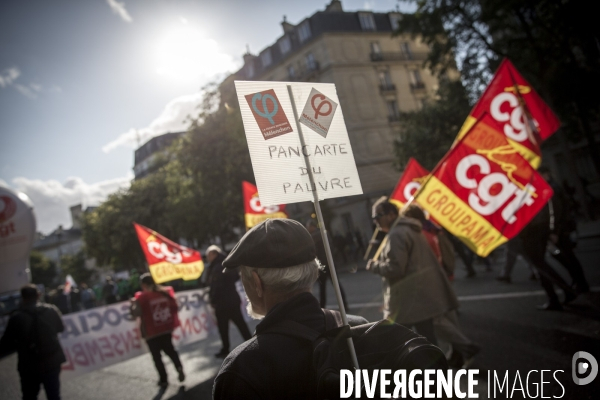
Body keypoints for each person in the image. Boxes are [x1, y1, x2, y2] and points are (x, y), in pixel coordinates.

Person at [213, 219, 367, 399]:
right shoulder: (358, 329)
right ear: (314, 272)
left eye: (243, 276)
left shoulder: (242, 369)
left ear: (257, 283)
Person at [366, 197, 458, 345]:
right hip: (419, 295)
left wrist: (375, 266)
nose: (375, 221)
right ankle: (438, 365)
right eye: (373, 218)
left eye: (378, 216)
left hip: (407, 299)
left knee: (397, 340)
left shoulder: (396, 234)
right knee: (427, 339)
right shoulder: (411, 228)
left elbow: (395, 269)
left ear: (391, 215)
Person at [403, 205, 480, 368]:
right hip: (442, 277)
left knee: (436, 320)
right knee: (449, 317)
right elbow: (448, 252)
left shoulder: (420, 235)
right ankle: (457, 354)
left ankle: (466, 347)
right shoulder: (432, 230)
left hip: (432, 280)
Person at [0, 284, 66, 400]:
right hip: (52, 361)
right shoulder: (51, 310)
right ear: (38, 295)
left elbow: (6, 343)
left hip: (29, 365)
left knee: (30, 396)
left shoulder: (16, 318)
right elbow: (61, 328)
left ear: (23, 297)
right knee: (54, 395)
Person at [130, 274, 185, 387]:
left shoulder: (142, 297)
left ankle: (163, 379)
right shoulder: (163, 293)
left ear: (144, 285)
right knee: (170, 350)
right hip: (165, 329)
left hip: (151, 332)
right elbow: (174, 307)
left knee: (157, 357)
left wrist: (133, 304)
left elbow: (137, 313)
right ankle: (178, 367)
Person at [204, 244, 252, 358]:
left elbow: (216, 285)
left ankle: (226, 348)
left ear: (213, 254)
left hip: (222, 303)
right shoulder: (226, 262)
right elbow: (235, 277)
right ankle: (251, 343)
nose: (207, 258)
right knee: (240, 324)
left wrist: (213, 299)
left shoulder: (216, 267)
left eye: (208, 255)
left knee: (223, 328)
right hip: (232, 300)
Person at [305, 219, 348, 310]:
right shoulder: (324, 233)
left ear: (312, 227)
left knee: (322, 287)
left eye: (308, 227)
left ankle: (322, 307)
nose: (307, 229)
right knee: (336, 285)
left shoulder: (315, 235)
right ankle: (345, 305)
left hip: (323, 266)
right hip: (330, 263)